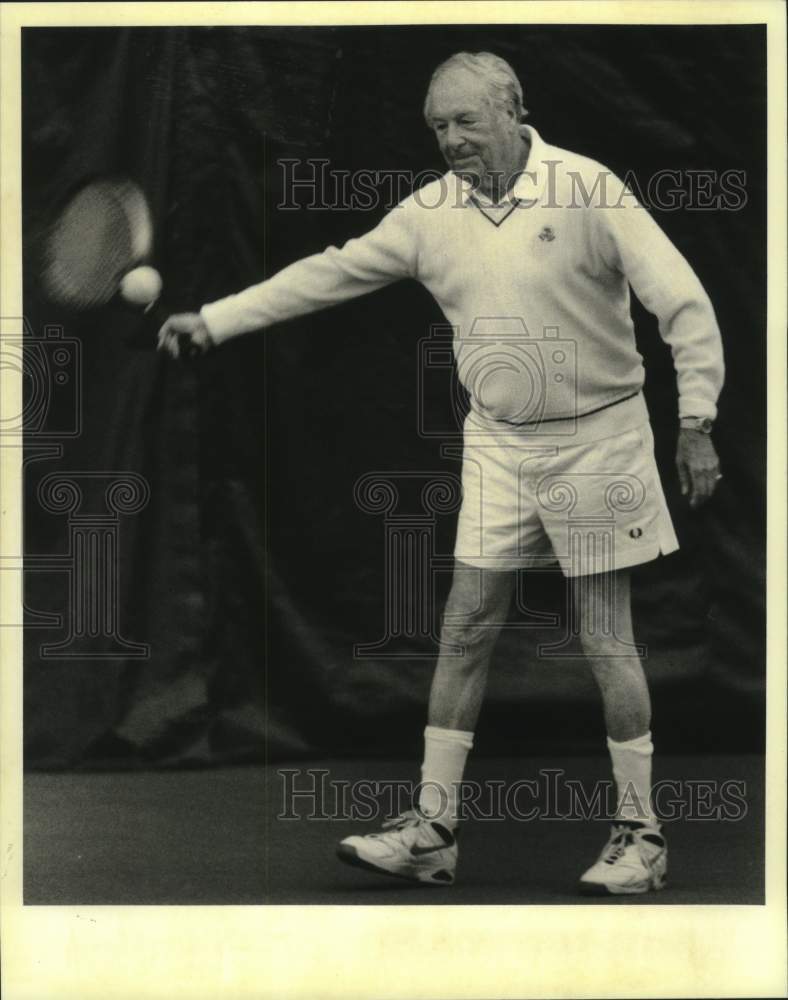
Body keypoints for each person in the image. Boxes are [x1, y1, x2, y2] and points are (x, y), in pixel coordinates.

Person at [158, 51, 724, 895]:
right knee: (465, 628)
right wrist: (216, 319)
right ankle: (431, 831)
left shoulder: (589, 190)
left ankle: (641, 838)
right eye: (437, 128)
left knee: (605, 634)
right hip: (501, 443)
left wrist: (696, 419)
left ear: (513, 111)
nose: (451, 140)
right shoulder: (430, 215)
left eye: (466, 122)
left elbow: (682, 301)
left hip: (600, 439)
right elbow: (329, 272)